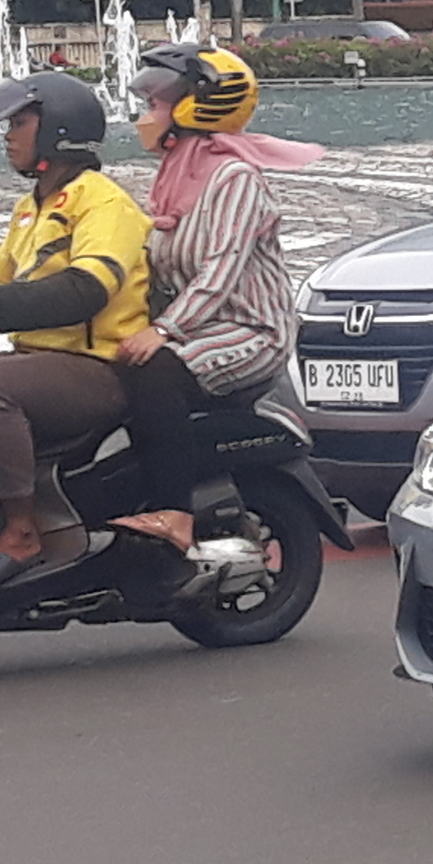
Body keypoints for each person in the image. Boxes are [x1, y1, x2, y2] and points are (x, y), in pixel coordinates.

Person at [110, 44, 324, 553]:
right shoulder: (176, 176)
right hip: (202, 326)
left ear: (192, 108)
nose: (146, 117)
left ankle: (174, 512)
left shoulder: (234, 178)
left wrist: (162, 330)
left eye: (156, 106)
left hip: (251, 329)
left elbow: (220, 270)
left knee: (155, 371)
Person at [0, 74, 152, 590]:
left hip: (98, 367)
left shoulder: (102, 202)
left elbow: (86, 290)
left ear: (58, 130)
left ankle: (21, 529)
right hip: (38, 362)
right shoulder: (30, 210)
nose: (8, 134)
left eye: (20, 122)